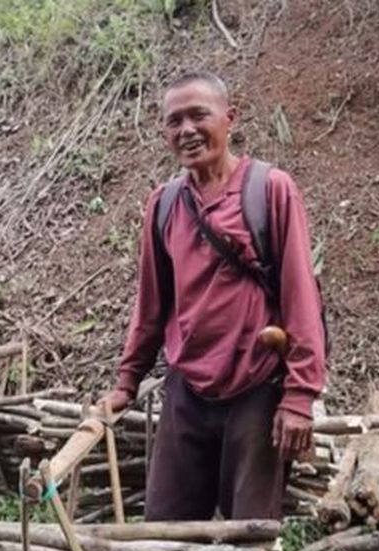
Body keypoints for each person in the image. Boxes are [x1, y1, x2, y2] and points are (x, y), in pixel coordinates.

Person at [98, 72, 326, 521]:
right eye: (173, 121)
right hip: (187, 388)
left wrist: (300, 396)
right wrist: (128, 380)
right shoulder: (163, 204)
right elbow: (152, 303)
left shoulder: (269, 190)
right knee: (165, 530)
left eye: (199, 115)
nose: (186, 130)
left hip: (256, 387)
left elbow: (302, 297)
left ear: (229, 118)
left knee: (249, 536)